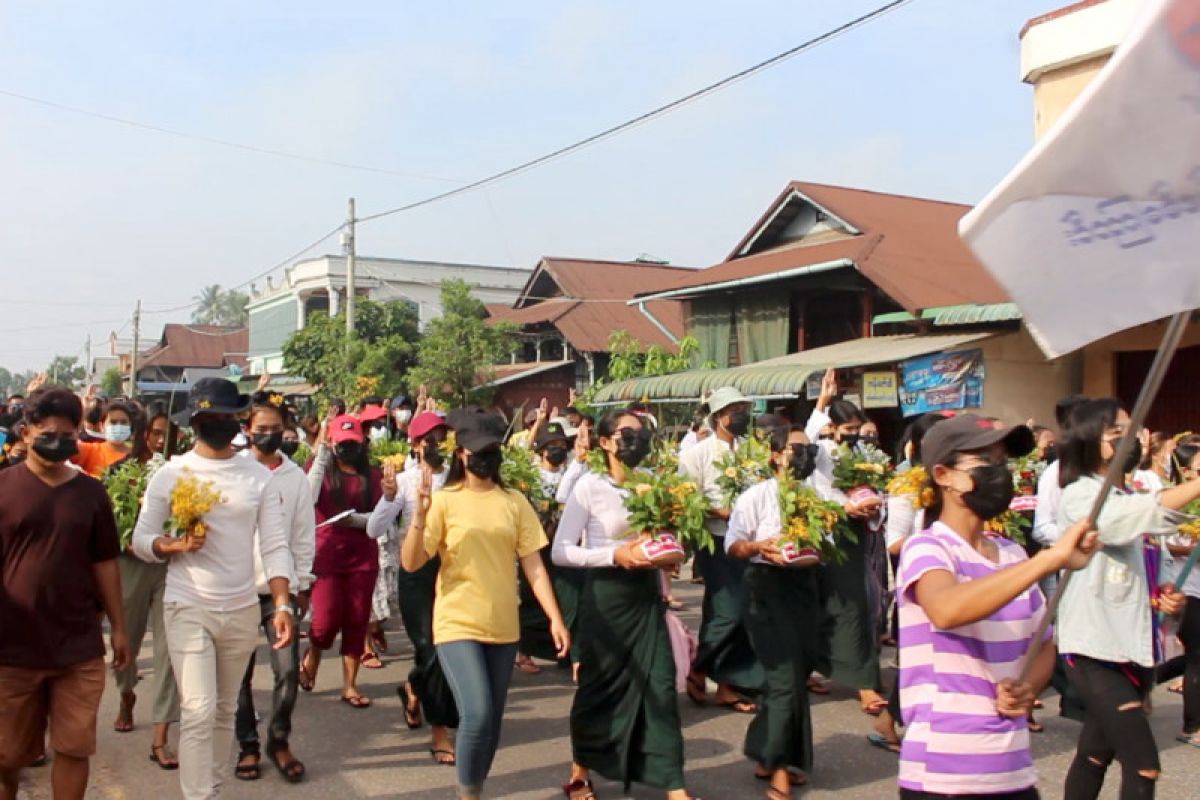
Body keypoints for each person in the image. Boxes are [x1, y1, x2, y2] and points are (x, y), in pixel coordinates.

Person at [897, 413, 1098, 799]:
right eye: (985, 462)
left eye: (1003, 463)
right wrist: (1049, 559)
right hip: (944, 773)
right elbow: (946, 609)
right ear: (943, 475)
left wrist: (1027, 686)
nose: (999, 473)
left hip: (1013, 772)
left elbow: (1042, 642)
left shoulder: (1011, 554)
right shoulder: (927, 548)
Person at [132, 377, 295, 800]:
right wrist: (175, 544)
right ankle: (199, 796)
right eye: (211, 417)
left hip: (241, 610)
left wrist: (282, 605)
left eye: (227, 416)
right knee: (199, 709)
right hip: (189, 605)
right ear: (194, 422)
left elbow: (275, 544)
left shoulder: (258, 476)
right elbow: (141, 540)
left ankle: (213, 787)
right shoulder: (173, 474)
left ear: (238, 419)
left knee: (225, 710)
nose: (220, 423)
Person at [401, 407, 569, 800]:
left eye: (492, 449)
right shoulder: (444, 501)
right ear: (461, 453)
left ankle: (475, 786)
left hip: (503, 626)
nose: (485, 457)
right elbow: (412, 562)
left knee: (490, 723)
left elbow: (535, 568)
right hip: (456, 622)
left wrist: (555, 620)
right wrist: (420, 516)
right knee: (475, 714)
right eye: (478, 450)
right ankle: (467, 795)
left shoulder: (514, 502)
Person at [552, 409, 698, 800]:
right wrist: (614, 556)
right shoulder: (589, 486)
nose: (636, 440)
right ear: (604, 442)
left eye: (640, 433)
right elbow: (561, 551)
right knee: (599, 689)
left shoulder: (655, 484)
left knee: (662, 687)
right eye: (625, 434)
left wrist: (670, 553)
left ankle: (675, 787)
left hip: (646, 598)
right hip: (606, 598)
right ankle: (581, 768)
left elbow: (668, 538)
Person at [1056, 398, 1198, 799]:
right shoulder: (1083, 496)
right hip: (1096, 649)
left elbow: (1154, 559)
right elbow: (1127, 521)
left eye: (1131, 430)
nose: (1130, 439)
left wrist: (1166, 595)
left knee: (1094, 755)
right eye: (1116, 433)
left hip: (1135, 648)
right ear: (1088, 440)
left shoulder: (1126, 492)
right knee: (1144, 764)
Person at [0, 386, 130, 800]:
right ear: (26, 432)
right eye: (46, 433)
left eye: (66, 433)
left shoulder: (91, 493)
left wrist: (120, 629)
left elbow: (105, 563)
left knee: (74, 748)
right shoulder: (3, 488)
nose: (57, 441)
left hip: (78, 646)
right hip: (12, 647)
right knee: (8, 756)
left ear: (78, 433)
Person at [725, 421, 822, 798]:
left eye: (808, 450)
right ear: (776, 456)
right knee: (783, 677)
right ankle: (781, 765)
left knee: (797, 674)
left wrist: (815, 546)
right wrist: (759, 547)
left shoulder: (815, 495)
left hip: (805, 588)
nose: (803, 456)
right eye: (796, 449)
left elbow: (828, 542)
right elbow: (733, 544)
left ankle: (766, 753)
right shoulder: (756, 496)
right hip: (765, 587)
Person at [368, 411, 459, 765]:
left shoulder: (458, 479)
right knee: (430, 648)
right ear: (417, 446)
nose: (437, 446)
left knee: (444, 649)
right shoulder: (403, 483)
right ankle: (440, 731)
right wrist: (389, 498)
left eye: (442, 438)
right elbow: (374, 529)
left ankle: (413, 687)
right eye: (429, 440)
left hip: (452, 573)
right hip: (415, 574)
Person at [233, 392, 315, 783]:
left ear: (287, 431)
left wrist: (302, 584)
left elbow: (303, 534)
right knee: (239, 675)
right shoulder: (234, 471)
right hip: (236, 588)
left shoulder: (295, 477)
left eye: (275, 429)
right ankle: (247, 745)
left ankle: (278, 739)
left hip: (280, 592)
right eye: (261, 429)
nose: (268, 435)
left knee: (287, 670)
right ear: (247, 430)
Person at [805, 369, 886, 716]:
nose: (854, 436)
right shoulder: (820, 451)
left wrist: (870, 508)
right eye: (848, 430)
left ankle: (865, 681)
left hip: (854, 539)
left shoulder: (867, 457)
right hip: (822, 537)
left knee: (855, 607)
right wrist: (822, 402)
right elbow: (804, 441)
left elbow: (879, 496)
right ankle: (811, 667)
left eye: (858, 430)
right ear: (833, 429)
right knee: (819, 607)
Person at [679, 386, 763, 713]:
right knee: (729, 608)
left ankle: (727, 684)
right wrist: (719, 512)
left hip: (747, 541)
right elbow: (686, 500)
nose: (741, 415)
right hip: (714, 540)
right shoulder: (695, 454)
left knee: (741, 612)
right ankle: (700, 667)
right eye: (735, 410)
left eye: (744, 408)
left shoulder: (750, 454)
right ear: (718, 417)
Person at [109, 401, 181, 771]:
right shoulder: (119, 473)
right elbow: (110, 527)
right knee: (127, 643)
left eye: (166, 435)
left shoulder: (181, 473)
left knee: (170, 651)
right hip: (131, 566)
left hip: (171, 568)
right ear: (141, 436)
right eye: (154, 433)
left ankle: (161, 737)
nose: (159, 440)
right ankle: (126, 695)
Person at [300, 414, 383, 708]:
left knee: (357, 619)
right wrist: (321, 452)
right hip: (327, 554)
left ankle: (349, 684)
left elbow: (382, 518)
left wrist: (359, 521)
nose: (348, 449)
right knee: (324, 621)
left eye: (353, 444)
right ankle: (313, 654)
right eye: (342, 444)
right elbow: (306, 500)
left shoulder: (373, 476)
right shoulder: (317, 470)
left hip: (362, 555)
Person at [516, 414, 573, 674]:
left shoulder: (570, 474)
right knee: (530, 600)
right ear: (540, 449)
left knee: (564, 597)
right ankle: (524, 650)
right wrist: (537, 423)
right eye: (552, 445)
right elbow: (519, 453)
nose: (557, 449)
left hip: (563, 544)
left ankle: (564, 650)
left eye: (561, 444)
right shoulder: (528, 475)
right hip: (533, 546)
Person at [73, 399, 138, 477]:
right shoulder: (91, 451)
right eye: (113, 422)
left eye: (124, 422)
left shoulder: (138, 454)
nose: (119, 426)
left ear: (130, 425)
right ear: (102, 426)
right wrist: (84, 413)